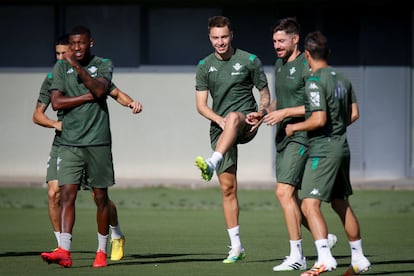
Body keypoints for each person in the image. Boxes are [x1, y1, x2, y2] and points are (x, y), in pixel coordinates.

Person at [34, 35, 141, 263]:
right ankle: (61, 246)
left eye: (67, 53)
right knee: (56, 193)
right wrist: (55, 123)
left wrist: (131, 102)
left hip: (94, 142)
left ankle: (116, 233)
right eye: (59, 54)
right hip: (65, 142)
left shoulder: (97, 69)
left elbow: (114, 92)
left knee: (98, 196)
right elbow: (38, 114)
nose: (64, 57)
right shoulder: (55, 76)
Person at [246, 17, 336, 272]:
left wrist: (285, 114)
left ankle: (297, 255)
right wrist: (262, 113)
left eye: (281, 40)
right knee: (293, 198)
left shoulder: (306, 66)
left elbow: (314, 105)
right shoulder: (279, 64)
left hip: (302, 137)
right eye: (274, 41)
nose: (276, 45)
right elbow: (279, 100)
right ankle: (323, 238)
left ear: (296, 39)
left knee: (283, 193)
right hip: (282, 138)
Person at [284, 31, 371, 275]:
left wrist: (294, 126)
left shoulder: (314, 80)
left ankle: (324, 258)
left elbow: (318, 119)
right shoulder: (343, 78)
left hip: (323, 150)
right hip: (342, 147)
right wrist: (337, 129)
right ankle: (359, 258)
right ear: (329, 53)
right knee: (340, 203)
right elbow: (354, 114)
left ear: (308, 55)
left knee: (309, 205)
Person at [194, 15, 270, 264]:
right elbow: (201, 106)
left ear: (231, 35)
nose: (220, 42)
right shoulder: (205, 65)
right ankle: (236, 247)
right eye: (215, 38)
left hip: (246, 122)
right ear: (209, 38)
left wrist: (261, 112)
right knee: (228, 188)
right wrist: (219, 120)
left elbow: (265, 94)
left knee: (235, 116)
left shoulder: (249, 61)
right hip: (220, 127)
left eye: (224, 36)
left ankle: (213, 161)